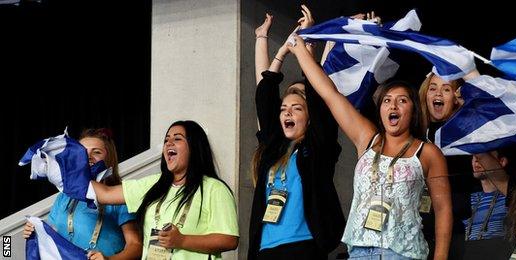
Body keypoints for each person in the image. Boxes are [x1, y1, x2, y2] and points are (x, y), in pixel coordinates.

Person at [288, 35, 453, 259]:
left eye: (402, 100)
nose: (393, 105)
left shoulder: (427, 152)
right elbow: (330, 94)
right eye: (387, 100)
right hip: (358, 251)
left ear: (413, 110)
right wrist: (301, 52)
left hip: (402, 253)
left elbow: (443, 210)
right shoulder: (367, 138)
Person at [249, 6, 345, 259]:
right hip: (266, 249)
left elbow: (321, 96)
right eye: (284, 109)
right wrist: (279, 50)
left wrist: (307, 42)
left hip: (304, 247)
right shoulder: (273, 148)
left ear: (310, 115)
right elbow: (264, 96)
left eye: (297, 107)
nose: (287, 113)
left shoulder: (317, 148)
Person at [89, 121, 239, 260]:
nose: (169, 143)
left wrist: (182, 240)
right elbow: (104, 194)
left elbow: (229, 239)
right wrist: (70, 169)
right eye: (166, 139)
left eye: (177, 138)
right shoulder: (154, 183)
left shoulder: (214, 188)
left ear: (194, 146)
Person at [22, 128, 142, 260]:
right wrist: (36, 231)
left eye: (96, 152)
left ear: (109, 158)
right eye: (82, 152)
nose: (88, 157)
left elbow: (135, 245)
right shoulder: (63, 197)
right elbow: (52, 236)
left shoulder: (119, 197)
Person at [418, 72, 480, 259]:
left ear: (455, 98)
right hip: (417, 230)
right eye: (433, 88)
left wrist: (467, 112)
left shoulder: (467, 135)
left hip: (456, 228)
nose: (438, 94)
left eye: (446, 89)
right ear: (425, 95)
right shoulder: (414, 136)